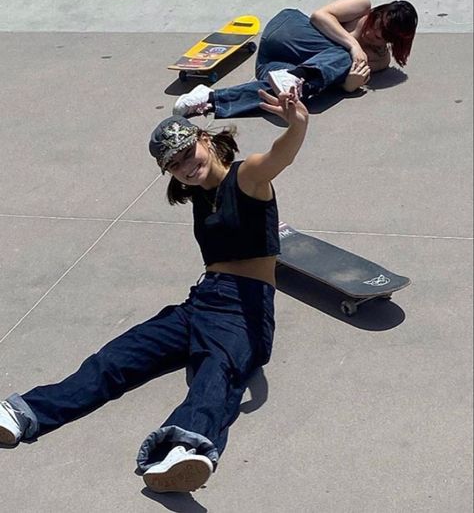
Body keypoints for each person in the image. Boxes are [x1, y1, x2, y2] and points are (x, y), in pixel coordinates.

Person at [0, 88, 309, 493]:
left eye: (187, 153)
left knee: (216, 375)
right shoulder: (199, 193)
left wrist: (298, 124)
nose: (185, 167)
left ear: (204, 139)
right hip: (200, 302)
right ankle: (23, 413)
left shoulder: (246, 176)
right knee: (116, 358)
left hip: (244, 309)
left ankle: (183, 448)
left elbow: (280, 157)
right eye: (174, 165)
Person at [173, 0, 418, 119]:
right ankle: (298, 78)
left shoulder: (380, 59)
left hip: (275, 64)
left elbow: (337, 78)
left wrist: (348, 85)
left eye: (384, 34)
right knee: (345, 56)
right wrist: (353, 44)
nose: (375, 32)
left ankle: (209, 99)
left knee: (288, 97)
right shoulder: (362, 6)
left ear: (394, 41)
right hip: (289, 31)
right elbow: (320, 16)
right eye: (377, 23)